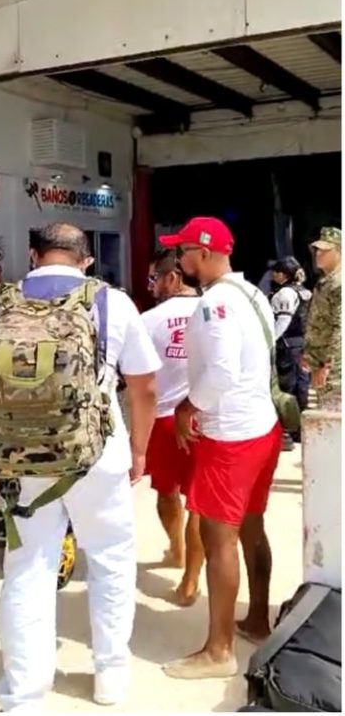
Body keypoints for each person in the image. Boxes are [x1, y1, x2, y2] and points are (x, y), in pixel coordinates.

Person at [0, 222, 159, 708]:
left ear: (33, 255)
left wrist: (12, 428)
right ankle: (110, 677)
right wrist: (140, 450)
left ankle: (23, 693)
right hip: (98, 454)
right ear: (86, 260)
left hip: (20, 462)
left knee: (28, 565)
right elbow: (145, 387)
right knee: (109, 558)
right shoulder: (112, 302)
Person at [161, 217, 281, 679]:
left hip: (229, 434)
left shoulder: (214, 305)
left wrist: (187, 408)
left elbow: (224, 373)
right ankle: (256, 618)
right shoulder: (253, 295)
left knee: (218, 538)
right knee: (252, 526)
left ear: (205, 253)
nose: (180, 259)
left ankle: (218, 651)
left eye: (184, 250)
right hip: (261, 427)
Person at [143, 250, 204, 606]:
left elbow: (136, 378)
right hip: (204, 416)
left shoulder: (150, 320)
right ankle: (191, 579)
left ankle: (178, 550)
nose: (152, 287)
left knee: (166, 492)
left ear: (173, 278)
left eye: (155, 279)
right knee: (199, 502)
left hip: (165, 418)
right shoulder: (214, 311)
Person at [269, 256, 312, 426]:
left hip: (288, 346)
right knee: (302, 385)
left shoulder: (285, 293)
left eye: (277, 272)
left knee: (288, 386)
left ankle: (290, 427)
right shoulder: (304, 291)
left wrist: (269, 341)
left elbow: (283, 322)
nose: (273, 275)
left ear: (283, 275)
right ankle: (300, 425)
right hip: (301, 343)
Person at [304, 226, 340, 402]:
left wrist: (327, 365)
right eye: (317, 250)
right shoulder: (326, 281)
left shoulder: (339, 283)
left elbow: (340, 328)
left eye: (325, 250)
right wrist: (309, 356)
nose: (318, 254)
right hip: (320, 365)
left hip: (335, 370)